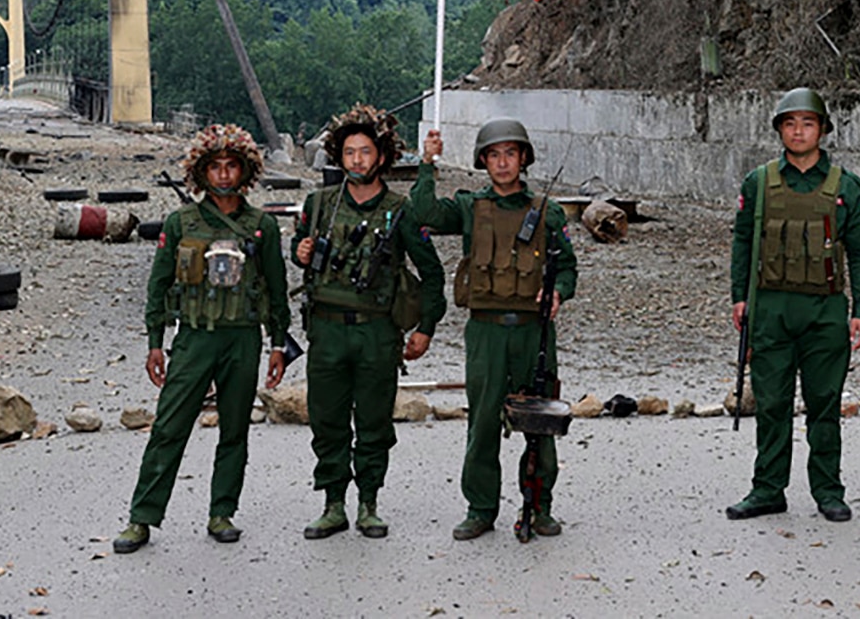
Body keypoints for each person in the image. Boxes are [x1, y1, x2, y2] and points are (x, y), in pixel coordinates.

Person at [112, 123, 290, 553]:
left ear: (244, 171)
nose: (224, 175)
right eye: (216, 167)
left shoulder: (260, 225)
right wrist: (155, 342)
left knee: (234, 431)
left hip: (243, 340)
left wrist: (279, 344)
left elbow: (277, 288)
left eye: (232, 166)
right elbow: (157, 287)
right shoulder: (180, 222)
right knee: (169, 428)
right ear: (202, 172)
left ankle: (222, 512)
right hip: (194, 338)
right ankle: (142, 518)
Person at [409, 117, 577, 541]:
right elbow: (423, 212)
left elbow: (569, 267)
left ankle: (539, 507)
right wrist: (426, 162)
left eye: (510, 153)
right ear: (483, 161)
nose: (503, 163)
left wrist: (559, 292)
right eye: (494, 155)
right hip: (484, 331)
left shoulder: (548, 211)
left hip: (532, 332)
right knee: (483, 422)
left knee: (540, 421)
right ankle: (480, 508)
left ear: (523, 159)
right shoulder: (470, 207)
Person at [292, 103, 447, 540]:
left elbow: (432, 273)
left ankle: (369, 502)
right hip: (326, 330)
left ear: (380, 156)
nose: (357, 160)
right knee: (327, 419)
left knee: (375, 421)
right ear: (337, 158)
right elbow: (301, 251)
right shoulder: (319, 203)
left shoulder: (402, 211)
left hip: (377, 332)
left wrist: (426, 328)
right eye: (348, 153)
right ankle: (333, 503)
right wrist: (299, 252)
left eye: (365, 152)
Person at [726, 87, 860, 523]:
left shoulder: (847, 186)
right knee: (771, 403)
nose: (798, 131)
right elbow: (742, 241)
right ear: (779, 130)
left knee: (824, 403)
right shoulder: (758, 182)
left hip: (825, 311)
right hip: (771, 307)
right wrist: (739, 296)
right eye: (789, 124)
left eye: (807, 123)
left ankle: (828, 490)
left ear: (823, 130)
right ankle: (768, 489)